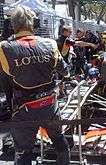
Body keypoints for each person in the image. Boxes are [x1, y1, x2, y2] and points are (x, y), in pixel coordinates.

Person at [0, 6, 70, 165]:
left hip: (23, 109)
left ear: (13, 25)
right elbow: (65, 72)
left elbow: (4, 80)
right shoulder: (50, 44)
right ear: (34, 24)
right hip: (50, 105)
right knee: (59, 141)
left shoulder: (4, 48)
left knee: (24, 153)